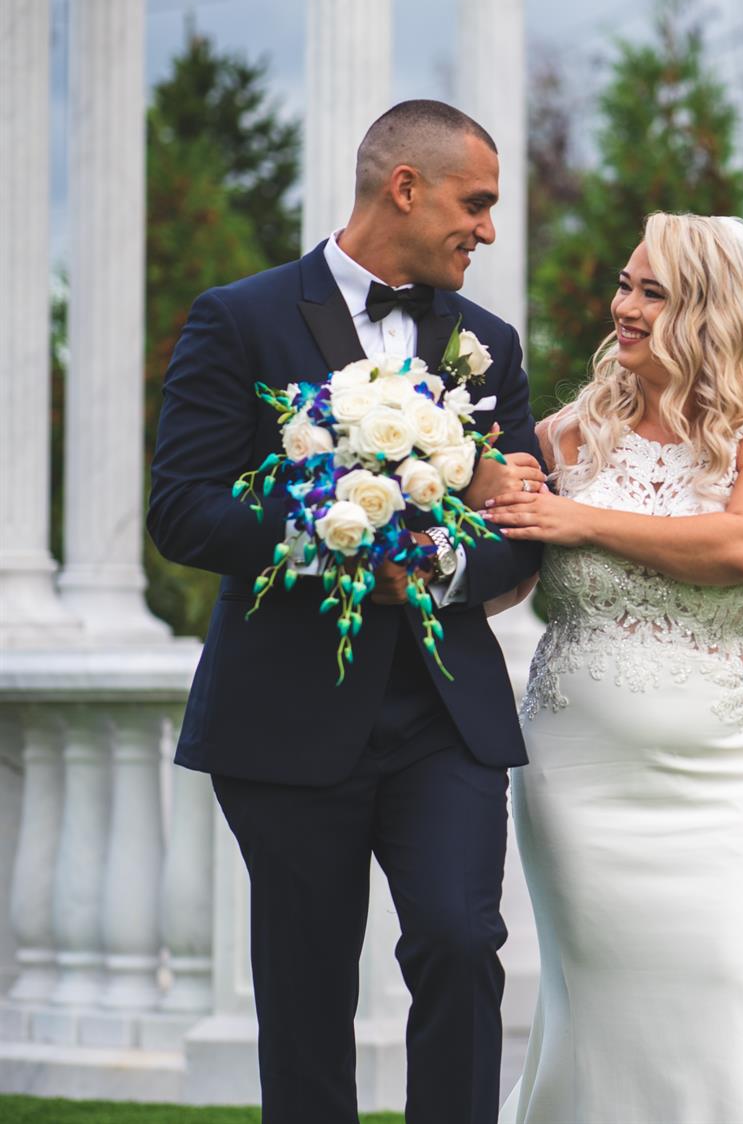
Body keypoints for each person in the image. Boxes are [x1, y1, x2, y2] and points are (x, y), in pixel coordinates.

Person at [147, 100, 549, 1124]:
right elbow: (183, 509)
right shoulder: (240, 318)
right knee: (306, 991)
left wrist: (437, 568)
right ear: (404, 187)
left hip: (442, 715)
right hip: (285, 713)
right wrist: (338, 538)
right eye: (476, 203)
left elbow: (519, 526)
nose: (487, 229)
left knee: (462, 940)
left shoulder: (487, 343)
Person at [480, 212, 743, 1123]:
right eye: (625, 285)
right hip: (581, 778)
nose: (623, 307)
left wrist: (582, 521)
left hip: (728, 781)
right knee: (601, 1014)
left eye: (652, 292)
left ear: (710, 311)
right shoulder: (567, 437)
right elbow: (503, 580)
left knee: (736, 991)